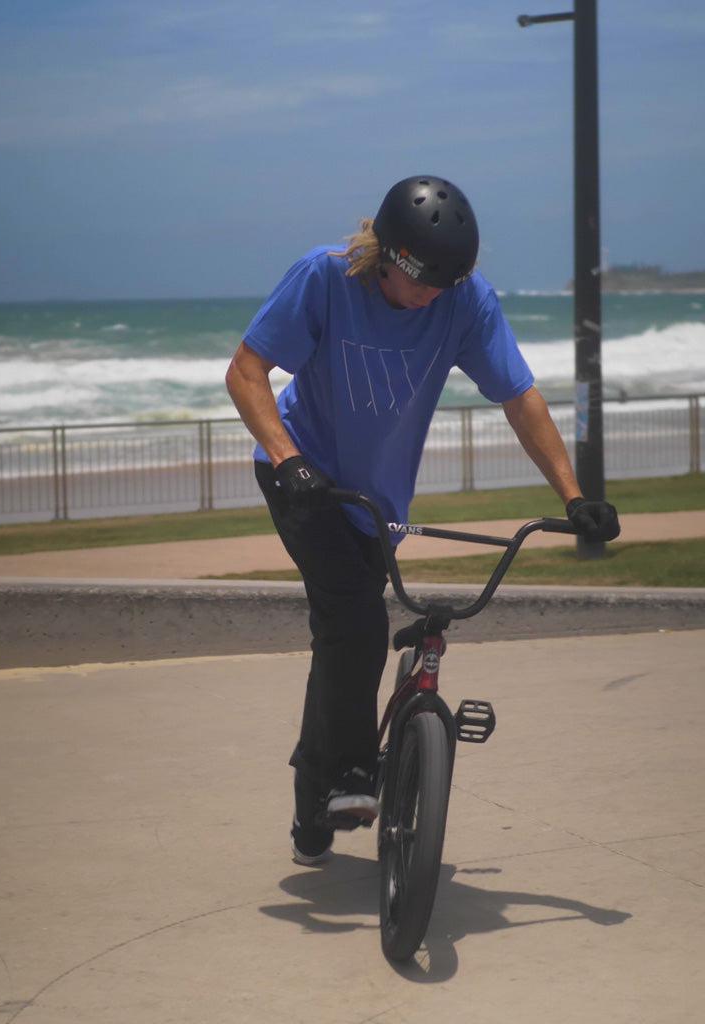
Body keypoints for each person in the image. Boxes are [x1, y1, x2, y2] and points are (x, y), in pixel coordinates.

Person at [225, 175, 620, 867]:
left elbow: (520, 397)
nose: (432, 298)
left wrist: (573, 495)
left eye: (446, 284)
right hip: (301, 475)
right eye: (422, 283)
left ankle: (310, 785)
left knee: (340, 637)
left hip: (375, 500)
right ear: (388, 256)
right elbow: (247, 371)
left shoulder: (464, 300)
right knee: (356, 621)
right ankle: (350, 773)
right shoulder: (325, 278)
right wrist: (289, 461)